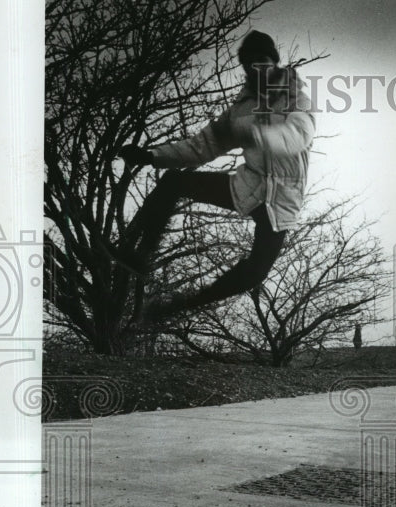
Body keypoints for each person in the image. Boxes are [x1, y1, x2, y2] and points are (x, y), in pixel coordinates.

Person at [110, 29, 315, 323]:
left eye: (262, 62)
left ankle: (183, 304)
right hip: (247, 186)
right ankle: (140, 255)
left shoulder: (297, 99)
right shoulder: (240, 110)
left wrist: (252, 133)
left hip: (282, 202)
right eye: (249, 65)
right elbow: (201, 146)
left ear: (274, 62)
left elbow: (296, 137)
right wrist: (150, 155)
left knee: (254, 273)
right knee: (174, 183)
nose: (256, 70)